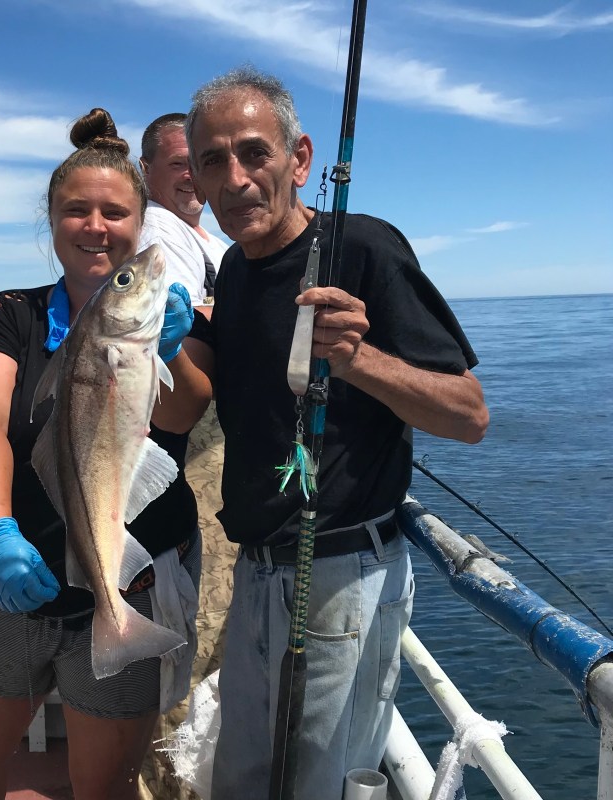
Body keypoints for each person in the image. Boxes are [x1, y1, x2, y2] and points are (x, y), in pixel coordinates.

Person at [183, 67, 490, 799]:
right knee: (247, 780)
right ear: (193, 176)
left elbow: (468, 414)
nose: (236, 178)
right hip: (257, 569)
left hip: (337, 574)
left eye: (255, 152)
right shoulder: (233, 265)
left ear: (300, 159)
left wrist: (357, 359)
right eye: (212, 161)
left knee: (306, 785)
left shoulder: (366, 249)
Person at [0, 107, 214, 800]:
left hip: (128, 584)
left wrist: (168, 346)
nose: (96, 227)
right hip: (12, 588)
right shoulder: (9, 315)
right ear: (52, 221)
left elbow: (184, 412)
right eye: (76, 210)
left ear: (140, 220)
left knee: (107, 786)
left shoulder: (177, 316)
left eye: (115, 213)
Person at [139, 112, 230, 319]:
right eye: (177, 164)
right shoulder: (157, 226)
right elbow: (186, 322)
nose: (192, 175)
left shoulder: (215, 242)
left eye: (201, 163)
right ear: (145, 168)